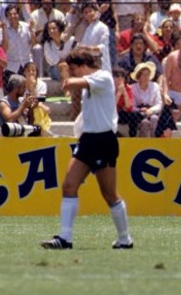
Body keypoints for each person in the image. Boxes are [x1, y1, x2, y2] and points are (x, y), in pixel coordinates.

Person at [41, 48, 133, 250]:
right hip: (87, 140)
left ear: (84, 66)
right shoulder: (89, 81)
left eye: (75, 69)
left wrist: (65, 71)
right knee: (69, 185)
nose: (73, 74)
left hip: (103, 141)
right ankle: (65, 238)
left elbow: (69, 84)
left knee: (109, 194)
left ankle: (125, 238)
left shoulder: (103, 77)